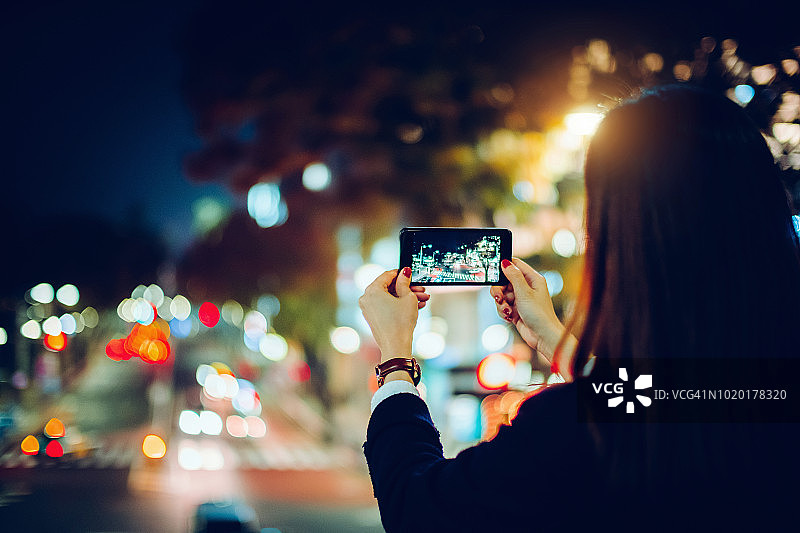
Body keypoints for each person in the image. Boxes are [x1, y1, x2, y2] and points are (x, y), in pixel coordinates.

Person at [359, 85, 800, 532]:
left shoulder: (571, 431)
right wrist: (552, 338)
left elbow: (418, 508)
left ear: (626, 238)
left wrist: (395, 359)